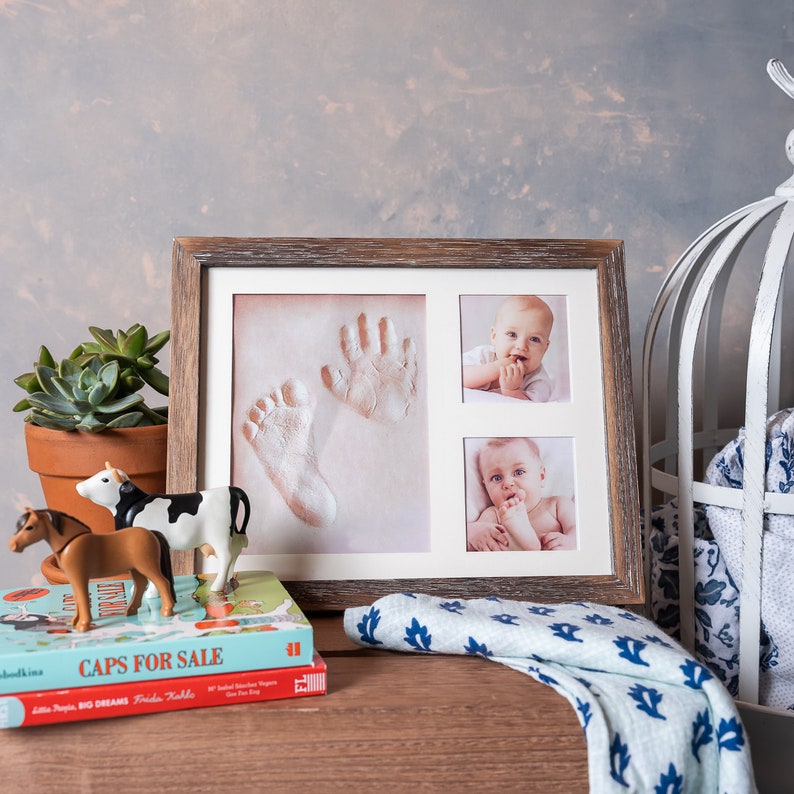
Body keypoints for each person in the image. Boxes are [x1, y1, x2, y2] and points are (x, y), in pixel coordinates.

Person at [466, 437, 576, 551]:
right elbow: (470, 543)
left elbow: (578, 528)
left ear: (541, 476)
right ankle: (524, 541)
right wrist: (472, 531)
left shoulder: (557, 504)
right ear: (486, 487)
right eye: (497, 478)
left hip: (552, 561)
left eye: (518, 472)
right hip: (515, 560)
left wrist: (571, 541)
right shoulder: (494, 514)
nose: (508, 483)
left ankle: (525, 540)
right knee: (500, 541)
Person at [462, 295, 554, 401]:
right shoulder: (483, 355)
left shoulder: (538, 380)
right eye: (512, 334)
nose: (521, 346)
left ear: (545, 348)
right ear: (494, 336)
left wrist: (512, 390)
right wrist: (495, 368)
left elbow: (533, 407)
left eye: (534, 339)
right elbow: (458, 377)